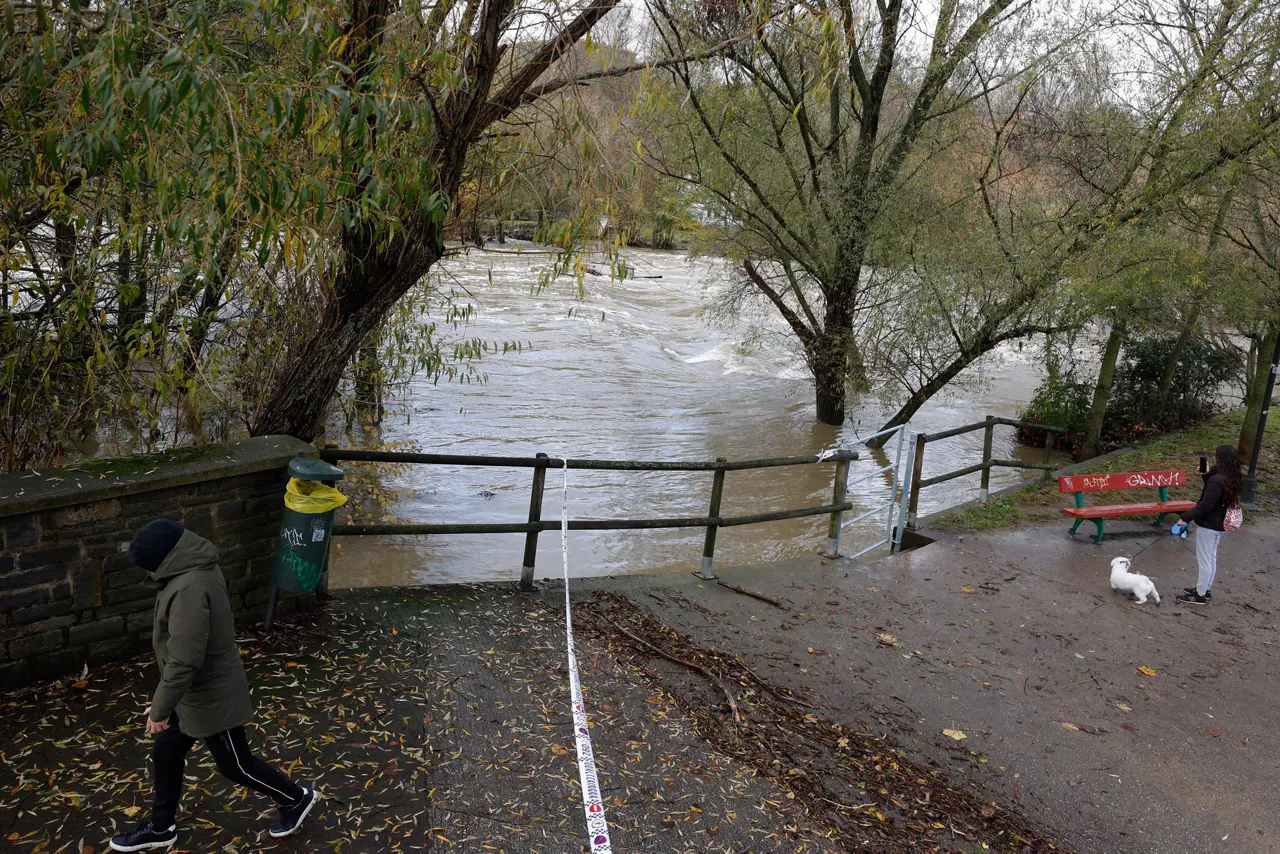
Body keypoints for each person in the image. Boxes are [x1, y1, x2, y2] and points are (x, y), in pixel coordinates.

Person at [109, 519, 317, 852]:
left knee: (235, 764)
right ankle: (161, 827)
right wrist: (168, 700)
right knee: (166, 751)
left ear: (163, 560)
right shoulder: (192, 567)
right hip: (192, 692)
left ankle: (296, 798)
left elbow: (185, 658)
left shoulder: (189, 588)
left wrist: (161, 708)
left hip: (211, 695)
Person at [1171, 445, 1242, 605]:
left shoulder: (1217, 480)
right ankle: (1205, 589)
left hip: (1209, 524)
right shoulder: (1231, 477)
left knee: (1204, 559)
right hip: (1218, 524)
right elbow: (1216, 494)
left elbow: (1206, 504)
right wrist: (1207, 474)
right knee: (1211, 558)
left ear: (1221, 459)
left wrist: (1184, 518)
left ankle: (1200, 594)